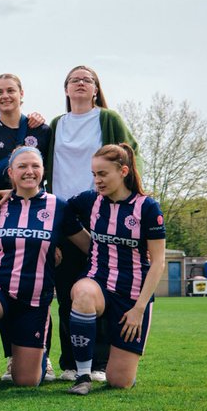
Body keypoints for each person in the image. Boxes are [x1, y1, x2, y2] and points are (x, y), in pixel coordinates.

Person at [0, 147, 87, 390]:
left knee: (25, 381)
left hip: (34, 302)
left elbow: (88, 246)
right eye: (22, 166)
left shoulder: (58, 206)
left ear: (43, 171)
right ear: (11, 173)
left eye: (35, 166)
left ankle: (37, 355)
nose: (29, 171)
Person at [45, 66, 138, 383]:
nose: (81, 84)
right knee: (66, 289)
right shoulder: (57, 124)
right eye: (74, 80)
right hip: (62, 213)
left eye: (88, 80)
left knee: (100, 285)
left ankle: (99, 362)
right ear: (66, 89)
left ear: (96, 89)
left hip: (99, 209)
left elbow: (128, 154)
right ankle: (70, 362)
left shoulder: (108, 119)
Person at [0, 73, 54, 382]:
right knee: (7, 287)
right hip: (5, 216)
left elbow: (51, 173)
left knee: (41, 292)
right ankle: (10, 359)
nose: (5, 96)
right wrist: (9, 165)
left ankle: (43, 359)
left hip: (41, 219)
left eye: (11, 91)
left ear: (22, 94)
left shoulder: (41, 130)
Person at [66, 144, 166, 395]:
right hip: (97, 281)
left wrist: (139, 309)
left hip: (131, 296)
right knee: (83, 294)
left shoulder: (148, 208)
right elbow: (59, 212)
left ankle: (117, 360)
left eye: (103, 174)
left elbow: (158, 262)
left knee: (119, 382)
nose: (97, 180)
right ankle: (83, 375)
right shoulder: (90, 201)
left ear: (123, 171)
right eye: (94, 174)